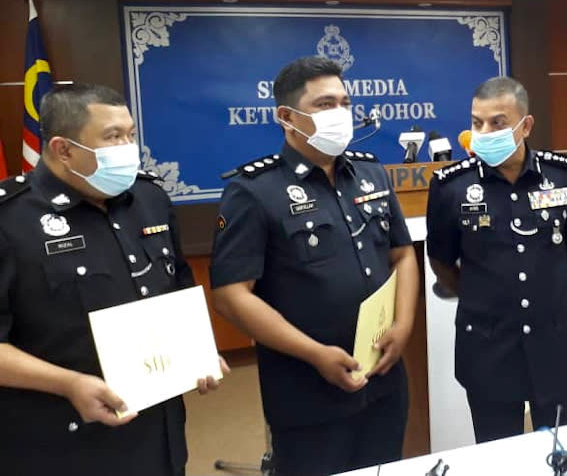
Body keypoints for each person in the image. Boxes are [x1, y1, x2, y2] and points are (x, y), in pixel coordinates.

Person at [0, 83, 225, 476]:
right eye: (112, 137)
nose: (127, 147)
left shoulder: (149, 198)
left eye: (131, 134)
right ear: (63, 149)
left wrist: (199, 352)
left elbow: (178, 291)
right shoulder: (10, 220)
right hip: (62, 440)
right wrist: (69, 383)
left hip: (159, 432)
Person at [210, 56, 419, 476]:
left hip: (383, 375)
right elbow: (232, 296)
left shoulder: (371, 173)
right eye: (325, 104)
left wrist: (405, 323)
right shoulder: (253, 191)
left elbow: (403, 253)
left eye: (344, 102)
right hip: (308, 388)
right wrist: (315, 354)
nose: (340, 113)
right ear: (287, 117)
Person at [426, 76, 567, 443]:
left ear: (525, 125)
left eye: (498, 122)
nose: (484, 132)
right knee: (497, 450)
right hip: (487, 345)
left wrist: (545, 286)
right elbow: (440, 260)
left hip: (556, 338)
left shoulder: (564, 176)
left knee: (562, 449)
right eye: (476, 123)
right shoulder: (450, 186)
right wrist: (478, 294)